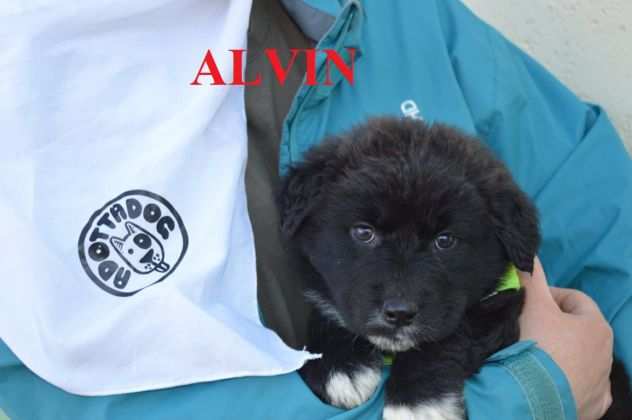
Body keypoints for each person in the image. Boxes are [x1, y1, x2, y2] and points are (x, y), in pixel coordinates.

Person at [0, 1, 629, 419]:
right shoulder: (25, 84)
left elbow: (600, 211)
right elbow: (95, 399)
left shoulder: (390, 14)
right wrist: (528, 398)